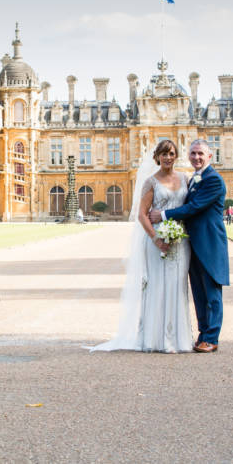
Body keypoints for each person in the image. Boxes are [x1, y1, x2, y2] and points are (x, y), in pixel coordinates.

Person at [92, 140, 192, 353]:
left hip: (180, 242)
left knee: (177, 288)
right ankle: (154, 339)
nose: (168, 157)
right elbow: (141, 214)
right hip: (156, 241)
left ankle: (177, 339)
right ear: (157, 157)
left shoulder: (185, 178)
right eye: (164, 154)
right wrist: (156, 238)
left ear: (176, 156)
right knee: (156, 287)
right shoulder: (150, 182)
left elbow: (191, 207)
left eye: (171, 153)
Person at [148, 139, 229, 353]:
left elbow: (193, 207)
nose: (196, 157)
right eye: (193, 153)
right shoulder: (194, 179)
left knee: (212, 293)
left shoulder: (213, 180)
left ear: (210, 156)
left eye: (201, 154)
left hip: (209, 244)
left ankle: (211, 338)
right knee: (200, 294)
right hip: (192, 243)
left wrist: (163, 215)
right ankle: (204, 335)